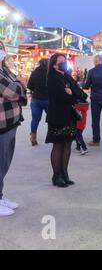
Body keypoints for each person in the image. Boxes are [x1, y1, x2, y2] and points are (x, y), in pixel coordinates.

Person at [46, 53, 86, 188]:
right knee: (58, 144)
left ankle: (64, 174)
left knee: (67, 144)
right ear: (54, 64)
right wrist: (71, 95)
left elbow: (81, 94)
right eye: (61, 61)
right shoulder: (52, 77)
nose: (64, 63)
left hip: (69, 115)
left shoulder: (66, 75)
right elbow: (61, 97)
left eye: (65, 61)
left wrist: (71, 93)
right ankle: (56, 176)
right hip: (57, 116)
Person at [0, 41, 26, 216]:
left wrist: (19, 87)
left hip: (11, 123)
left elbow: (21, 86)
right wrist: (19, 88)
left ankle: (0, 196)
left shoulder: (4, 70)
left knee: (4, 163)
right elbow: (14, 91)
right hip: (2, 125)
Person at [27, 58, 49, 146]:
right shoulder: (50, 73)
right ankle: (52, 136)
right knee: (51, 118)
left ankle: (33, 136)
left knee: (35, 119)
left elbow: (29, 86)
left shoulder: (34, 73)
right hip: (48, 100)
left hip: (36, 99)